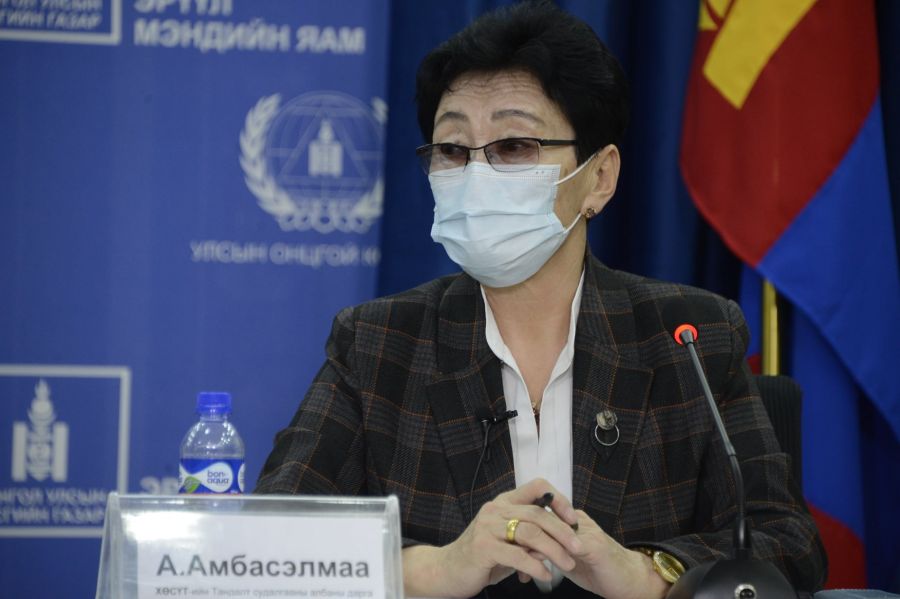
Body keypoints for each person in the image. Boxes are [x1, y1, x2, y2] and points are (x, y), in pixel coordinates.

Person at [255, 2, 827, 597]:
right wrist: (438, 569)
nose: (476, 174)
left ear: (599, 178)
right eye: (453, 149)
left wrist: (648, 573)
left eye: (513, 146)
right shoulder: (379, 343)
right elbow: (270, 539)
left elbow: (787, 543)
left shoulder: (688, 336)